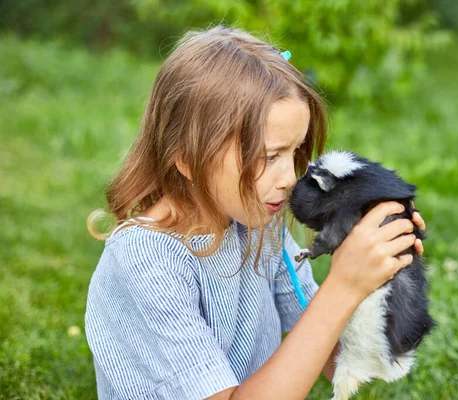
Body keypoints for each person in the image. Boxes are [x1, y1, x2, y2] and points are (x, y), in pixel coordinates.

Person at [85, 25, 426, 400]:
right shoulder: (146, 259)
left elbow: (334, 361)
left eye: (295, 153)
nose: (291, 179)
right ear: (187, 158)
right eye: (268, 157)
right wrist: (343, 286)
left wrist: (373, 271)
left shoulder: (262, 229)